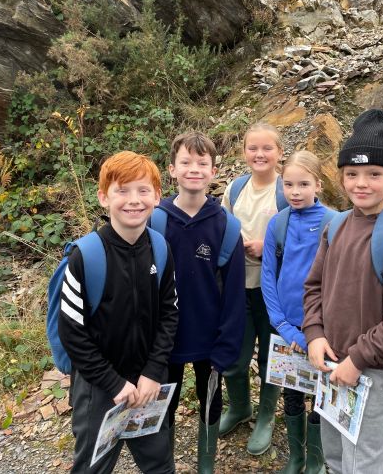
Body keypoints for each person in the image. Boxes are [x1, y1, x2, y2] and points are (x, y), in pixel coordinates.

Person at [303, 109, 383, 474]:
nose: (361, 183)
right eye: (352, 174)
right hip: (332, 364)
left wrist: (357, 359)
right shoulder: (337, 225)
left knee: (367, 465)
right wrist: (314, 334)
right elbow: (314, 287)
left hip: (374, 372)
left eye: (374, 174)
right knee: (335, 458)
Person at [58, 150, 179, 473]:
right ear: (103, 197)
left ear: (157, 196)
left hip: (148, 382)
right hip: (99, 388)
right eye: (122, 190)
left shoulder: (160, 248)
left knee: (160, 464)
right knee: (93, 466)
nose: (133, 200)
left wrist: (153, 371)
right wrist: (113, 384)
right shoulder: (85, 256)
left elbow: (170, 314)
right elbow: (72, 333)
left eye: (143, 190)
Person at [158, 132, 246, 473]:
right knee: (164, 402)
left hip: (209, 337)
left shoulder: (227, 226)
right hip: (165, 338)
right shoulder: (156, 220)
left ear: (213, 171)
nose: (193, 169)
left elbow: (234, 294)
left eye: (202, 163)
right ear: (172, 169)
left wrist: (227, 345)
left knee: (210, 399)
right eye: (185, 162)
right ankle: (162, 463)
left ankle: (206, 464)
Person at [261, 150, 330, 474]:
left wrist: (316, 333)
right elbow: (268, 279)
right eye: (288, 184)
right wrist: (284, 326)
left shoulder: (334, 223)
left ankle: (316, 460)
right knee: (291, 392)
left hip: (324, 332)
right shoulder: (278, 223)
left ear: (318, 184)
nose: (295, 192)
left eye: (303, 184)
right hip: (286, 329)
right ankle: (295, 457)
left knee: (320, 394)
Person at [220, 122, 285, 455]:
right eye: (253, 148)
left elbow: (302, 238)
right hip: (237, 287)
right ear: (244, 151)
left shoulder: (287, 190)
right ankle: (239, 406)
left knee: (271, 356)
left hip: (273, 292)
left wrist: (268, 247)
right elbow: (221, 227)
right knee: (234, 354)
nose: (260, 154)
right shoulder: (235, 188)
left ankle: (266, 417)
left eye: (267, 148)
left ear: (279, 153)